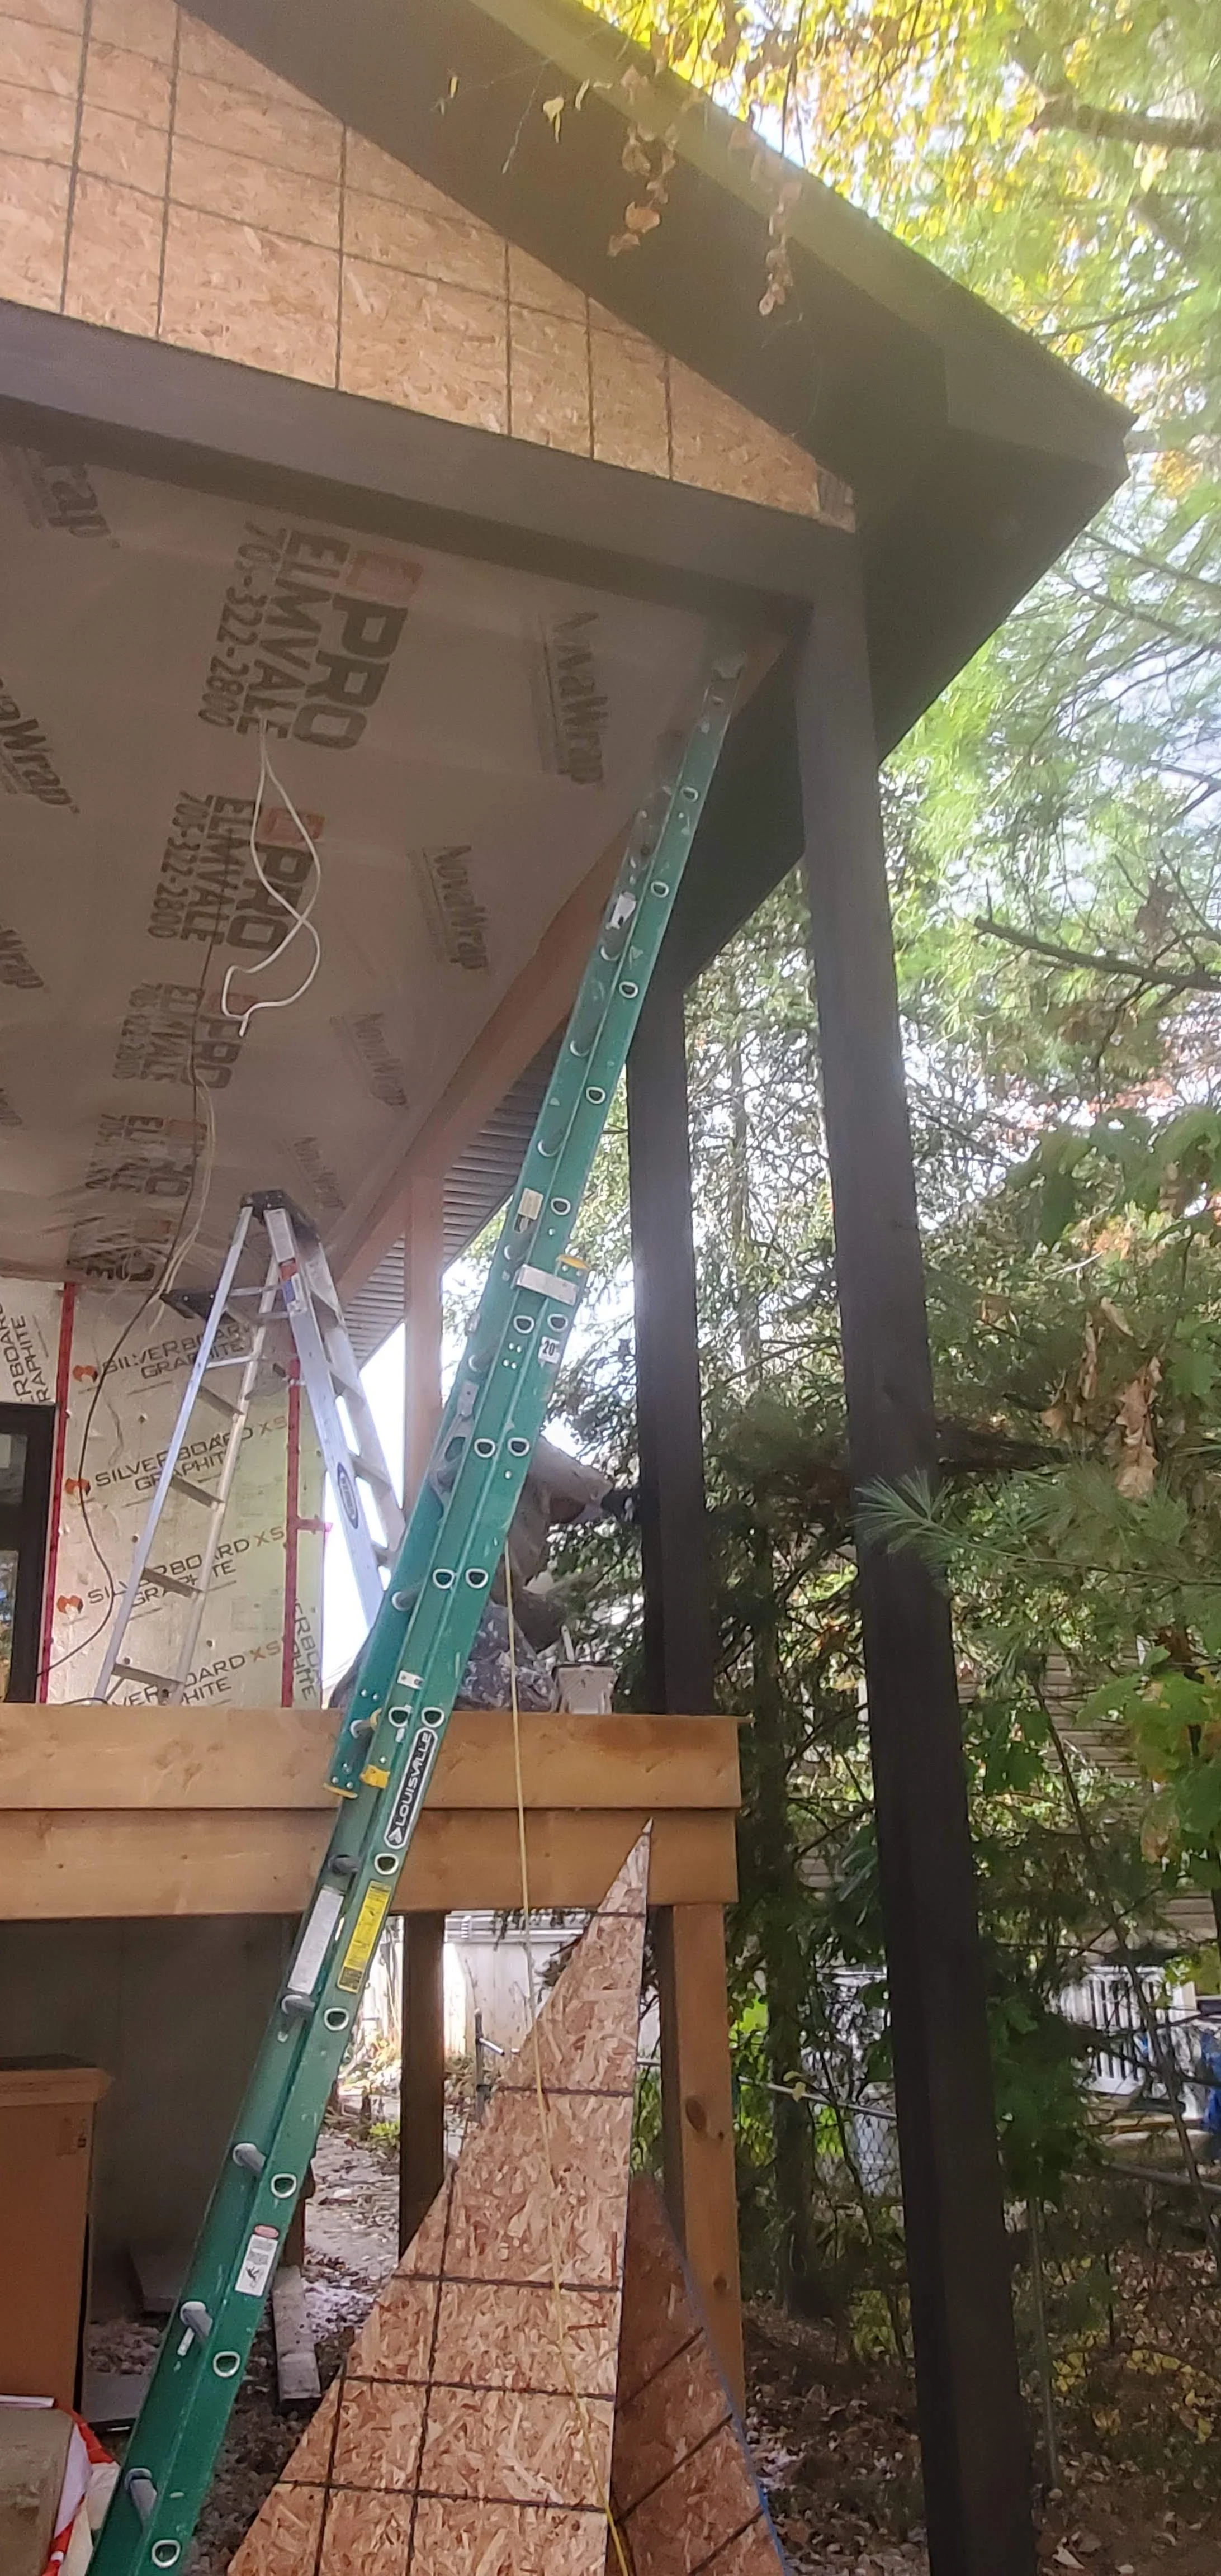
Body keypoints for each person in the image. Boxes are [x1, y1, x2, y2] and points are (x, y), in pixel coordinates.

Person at [330, 1434, 635, 1714]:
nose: (565, 1519)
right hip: (460, 1598)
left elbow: (512, 1595)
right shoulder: (507, 1474)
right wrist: (608, 1496)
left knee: (547, 1623)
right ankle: (416, 1682)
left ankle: (434, 1684)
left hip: (477, 1607)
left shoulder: (533, 1522)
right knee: (535, 1695)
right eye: (573, 1509)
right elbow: (529, 1443)